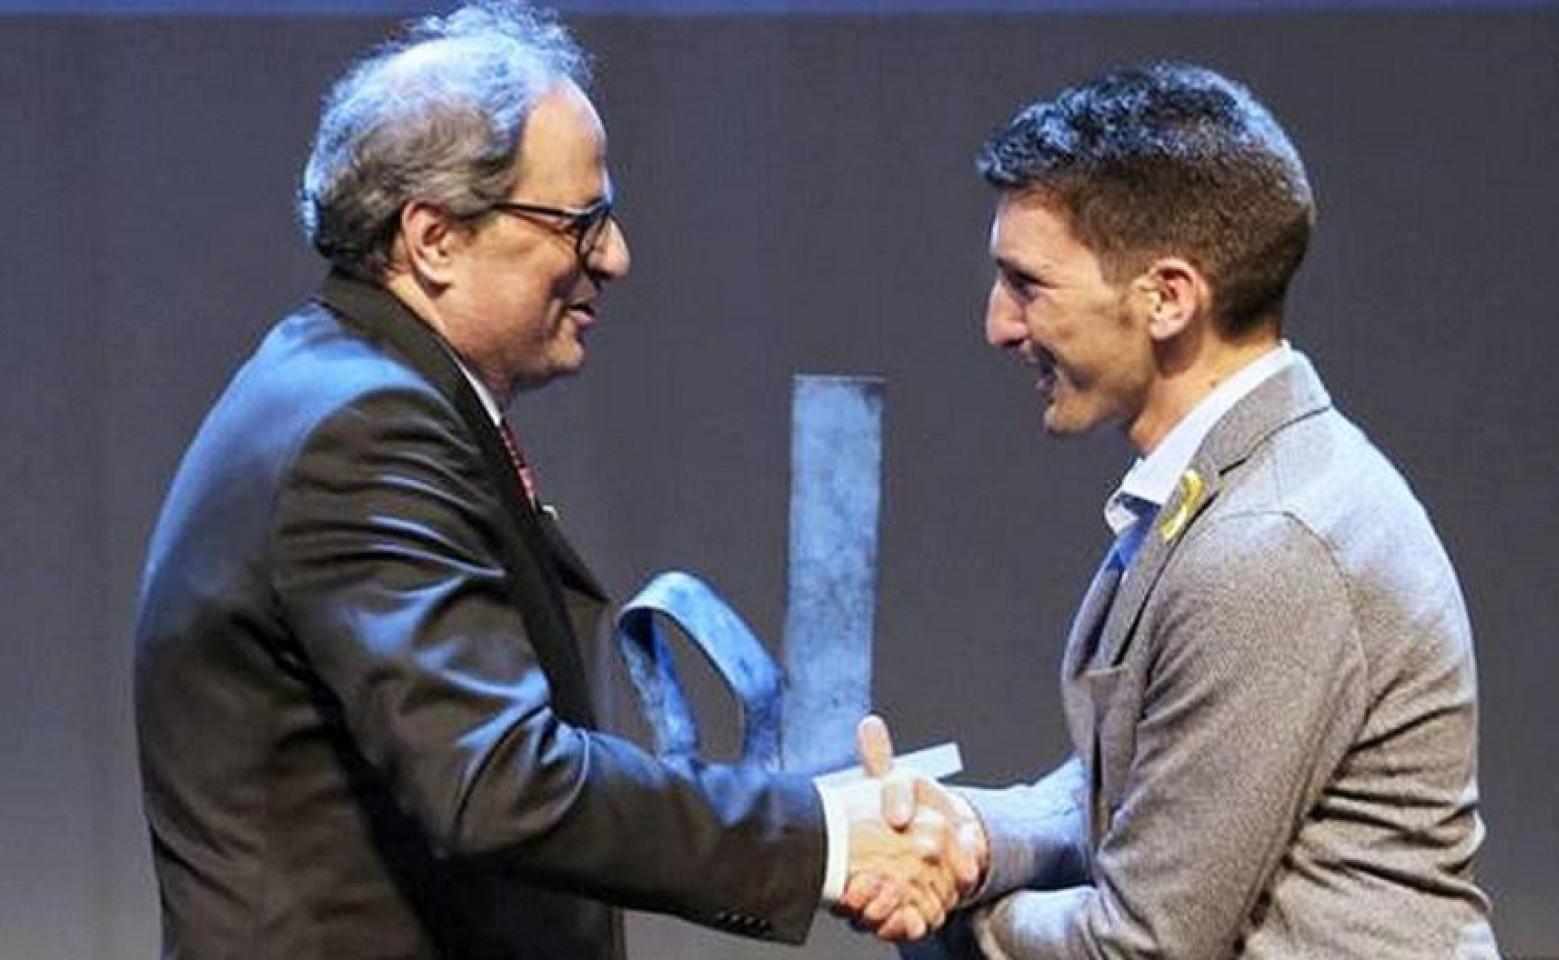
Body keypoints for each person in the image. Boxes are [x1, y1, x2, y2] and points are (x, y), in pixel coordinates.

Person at [132, 4, 971, 957]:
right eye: (580, 222)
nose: (614, 257)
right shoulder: (365, 432)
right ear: (434, 239)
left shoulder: (338, 384)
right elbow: (499, 783)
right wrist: (824, 838)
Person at [863, 63, 1501, 958]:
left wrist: (953, 919)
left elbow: (1144, 945)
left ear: (1168, 297)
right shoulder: (1243, 484)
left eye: (1027, 285)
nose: (999, 326)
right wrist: (970, 836)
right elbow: (1142, 782)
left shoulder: (1269, 545)